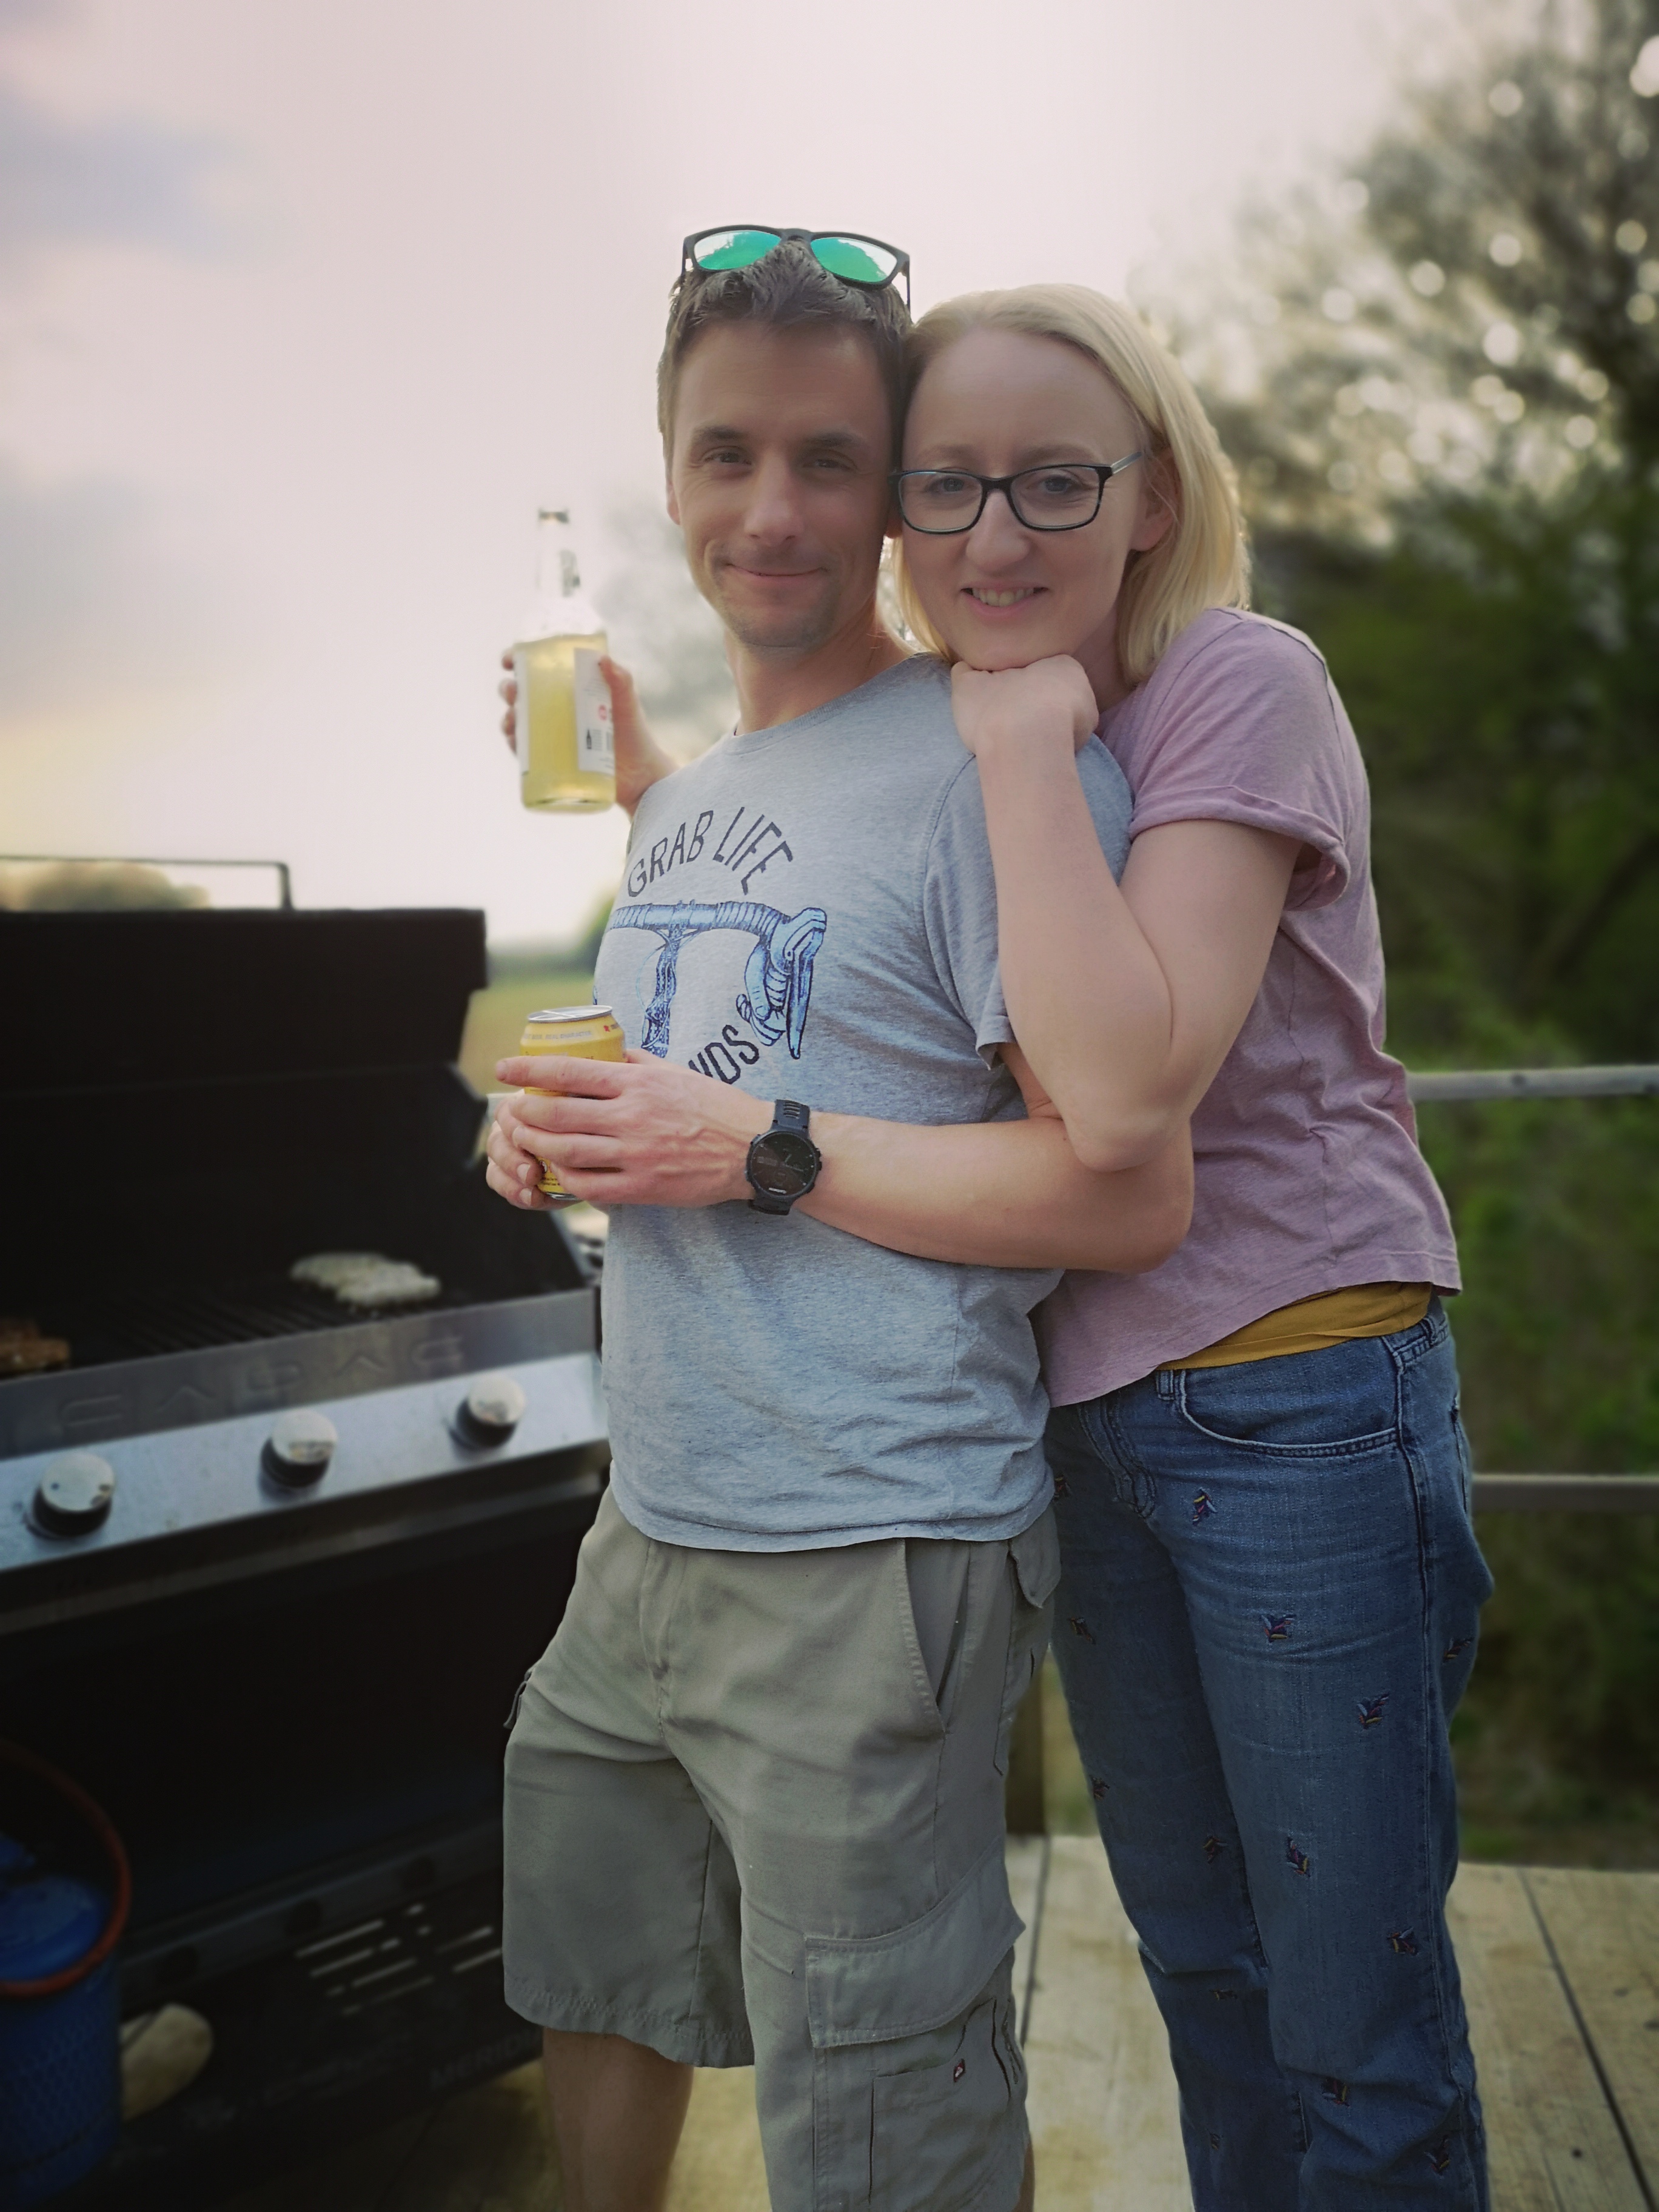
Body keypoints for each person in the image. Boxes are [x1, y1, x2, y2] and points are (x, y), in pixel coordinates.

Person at [485, 233, 1191, 2212]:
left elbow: (1116, 1182)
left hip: (870, 1540)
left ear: (896, 491)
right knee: (593, 1960)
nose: (773, 511)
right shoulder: (694, 793)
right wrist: (553, 1137)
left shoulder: (993, 761)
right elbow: (701, 1082)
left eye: (827, 460)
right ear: (669, 472)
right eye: (728, 455)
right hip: (653, 1515)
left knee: (883, 2103)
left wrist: (752, 1151)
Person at [890, 284, 1493, 2212]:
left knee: (1353, 2023)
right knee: (1209, 1978)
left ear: (1152, 496)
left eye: (1055, 482)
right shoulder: (948, 728)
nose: (997, 534)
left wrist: (1017, 751)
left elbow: (1128, 1082)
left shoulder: (1237, 679)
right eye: (948, 484)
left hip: (1299, 1389)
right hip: (1085, 1417)